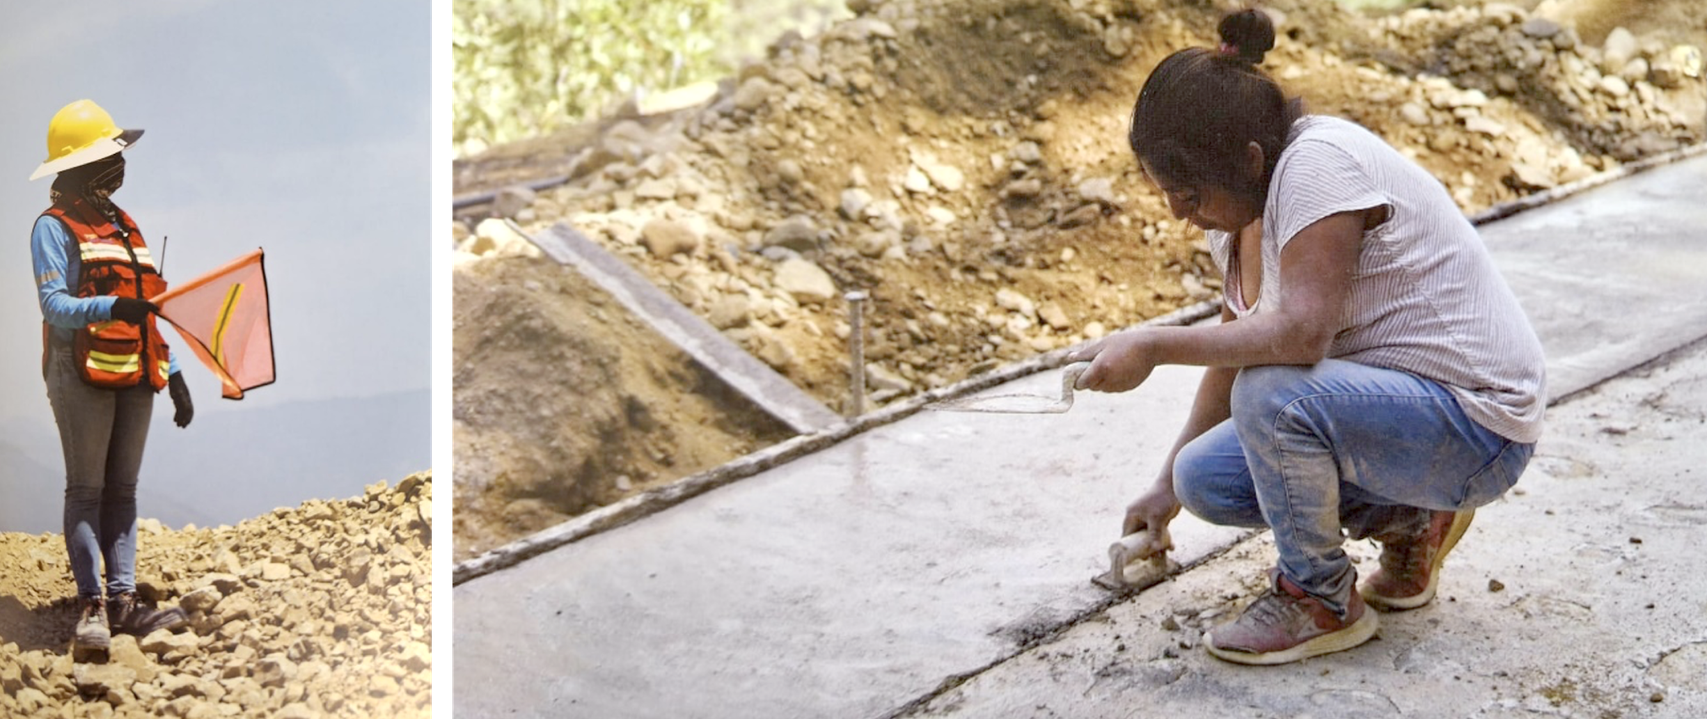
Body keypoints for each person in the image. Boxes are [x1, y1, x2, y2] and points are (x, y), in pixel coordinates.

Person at [1068, 10, 1545, 665]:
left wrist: (1151, 345)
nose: (1176, 213)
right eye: (1166, 194)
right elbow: (1237, 355)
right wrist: (1162, 490)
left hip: (1479, 426)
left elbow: (1297, 337)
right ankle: (1410, 521)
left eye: (1184, 193)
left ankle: (1317, 599)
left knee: (1276, 392)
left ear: (1248, 160)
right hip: (1411, 422)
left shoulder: (1316, 167)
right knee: (1203, 476)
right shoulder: (1234, 212)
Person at [29, 99, 194, 658]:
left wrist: (171, 372)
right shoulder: (51, 229)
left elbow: (148, 304)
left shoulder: (124, 225)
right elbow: (54, 306)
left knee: (123, 491)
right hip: (78, 373)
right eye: (111, 153)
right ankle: (93, 608)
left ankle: (124, 602)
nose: (120, 162)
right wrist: (109, 309)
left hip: (135, 369)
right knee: (87, 490)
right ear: (82, 164)